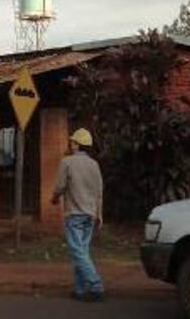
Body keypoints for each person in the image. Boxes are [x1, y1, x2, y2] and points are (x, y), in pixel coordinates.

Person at [51, 128, 104, 302]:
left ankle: (96, 285)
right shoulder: (94, 165)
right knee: (82, 251)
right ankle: (80, 290)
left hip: (74, 214)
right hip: (90, 214)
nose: (71, 143)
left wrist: (54, 198)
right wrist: (99, 214)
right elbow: (99, 192)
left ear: (77, 145)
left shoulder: (67, 162)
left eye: (73, 141)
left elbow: (59, 186)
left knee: (78, 251)